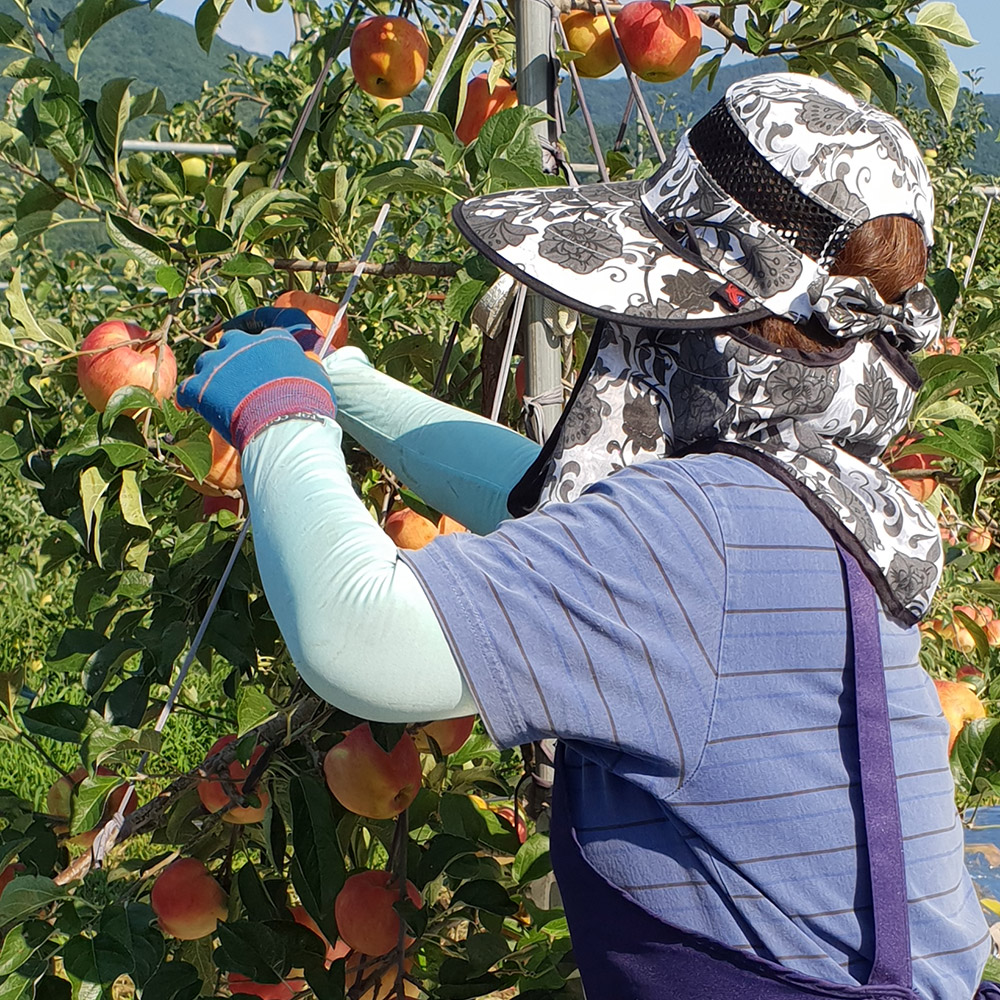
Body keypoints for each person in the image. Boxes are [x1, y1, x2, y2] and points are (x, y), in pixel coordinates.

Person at [179, 74, 992, 1000]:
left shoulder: (702, 535)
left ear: (711, 321)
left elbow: (359, 635)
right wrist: (346, 381)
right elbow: (551, 503)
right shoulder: (808, 502)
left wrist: (280, 416)